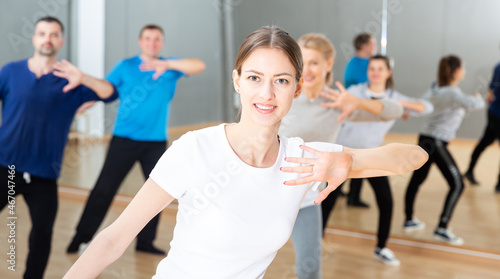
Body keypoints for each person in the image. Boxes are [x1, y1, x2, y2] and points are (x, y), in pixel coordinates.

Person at [63, 26, 428, 279]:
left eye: (281, 81)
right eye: (254, 78)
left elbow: (413, 158)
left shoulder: (304, 160)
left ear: (297, 88)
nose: (266, 94)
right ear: (237, 80)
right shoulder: (195, 149)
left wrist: (345, 160)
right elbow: (112, 240)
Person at [67, 24, 205, 255]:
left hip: (155, 143)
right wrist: (80, 106)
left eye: (157, 39)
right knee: (104, 190)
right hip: (124, 140)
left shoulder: (171, 67)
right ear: (140, 41)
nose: (152, 43)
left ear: (161, 42)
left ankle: (145, 242)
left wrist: (167, 64)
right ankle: (80, 237)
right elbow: (104, 90)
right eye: (148, 39)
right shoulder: (126, 66)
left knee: (157, 194)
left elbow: (199, 65)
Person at [0, 16, 117, 279]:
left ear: (61, 41)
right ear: (34, 38)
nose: (47, 39)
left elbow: (110, 93)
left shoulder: (71, 81)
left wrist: (83, 77)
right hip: (6, 168)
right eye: (42, 33)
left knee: (41, 235)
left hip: (44, 174)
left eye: (53, 34)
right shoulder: (11, 71)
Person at [279, 34, 403, 278]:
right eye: (302, 62)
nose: (307, 69)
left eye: (314, 62)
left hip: (305, 199)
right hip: (266, 191)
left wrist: (357, 102)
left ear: (328, 64)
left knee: (310, 267)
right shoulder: (283, 93)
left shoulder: (338, 101)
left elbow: (395, 110)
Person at [322, 55, 433, 266]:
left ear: (388, 72)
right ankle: (315, 242)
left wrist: (393, 106)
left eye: (380, 69)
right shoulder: (356, 92)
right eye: (372, 68)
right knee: (328, 199)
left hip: (371, 157)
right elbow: (337, 102)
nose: (375, 72)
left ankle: (381, 248)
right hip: (344, 153)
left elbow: (427, 108)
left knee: (386, 202)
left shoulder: (393, 97)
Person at [404, 55, 485, 245]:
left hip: (425, 139)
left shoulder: (435, 88)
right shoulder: (452, 94)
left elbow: (421, 103)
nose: (464, 71)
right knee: (458, 184)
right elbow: (475, 104)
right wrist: (478, 98)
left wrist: (409, 110)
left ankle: (409, 220)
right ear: (456, 71)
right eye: (463, 67)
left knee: (417, 179)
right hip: (436, 142)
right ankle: (442, 228)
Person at [343, 33, 378, 207]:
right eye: (373, 43)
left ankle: (350, 194)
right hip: (358, 116)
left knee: (354, 154)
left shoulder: (353, 62)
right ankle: (352, 197)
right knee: (359, 155)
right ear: (365, 46)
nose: (376, 46)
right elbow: (372, 93)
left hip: (354, 115)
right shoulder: (366, 66)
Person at [463, 57, 500, 193]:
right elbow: (491, 91)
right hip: (496, 114)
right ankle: (498, 183)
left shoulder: (497, 67)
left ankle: (470, 170)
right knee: (485, 141)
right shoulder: (499, 67)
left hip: (494, 112)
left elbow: (491, 91)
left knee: (485, 141)